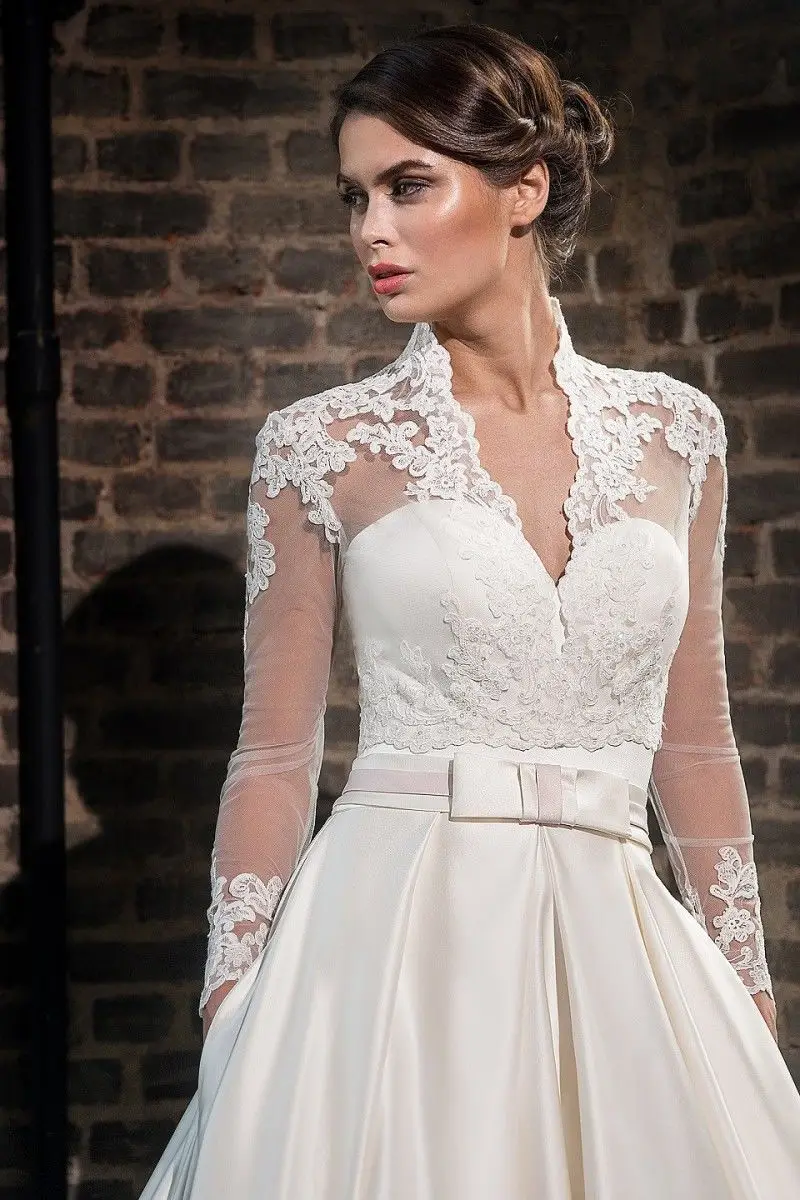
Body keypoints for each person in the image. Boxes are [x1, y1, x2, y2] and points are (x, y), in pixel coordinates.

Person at [138, 22, 800, 1199]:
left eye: (406, 186)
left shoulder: (677, 433)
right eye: (353, 197)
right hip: (389, 941)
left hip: (616, 941)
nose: (369, 231)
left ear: (522, 191)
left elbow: (694, 742)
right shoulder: (318, 447)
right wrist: (232, 999)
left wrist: (743, 986)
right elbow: (276, 751)